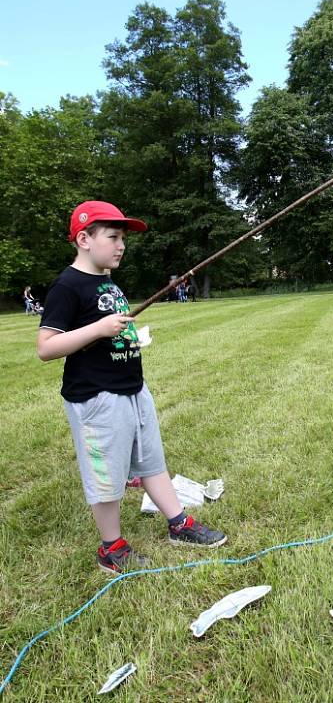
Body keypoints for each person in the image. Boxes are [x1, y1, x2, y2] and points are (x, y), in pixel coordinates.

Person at [37, 200, 227, 574]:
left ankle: (178, 524)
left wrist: (127, 338)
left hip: (133, 391)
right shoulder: (67, 285)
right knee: (106, 475)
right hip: (97, 398)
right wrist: (99, 329)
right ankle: (112, 547)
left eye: (123, 238)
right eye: (113, 236)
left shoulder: (106, 280)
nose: (121, 245)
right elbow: (46, 347)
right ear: (84, 239)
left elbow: (108, 331)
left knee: (151, 462)